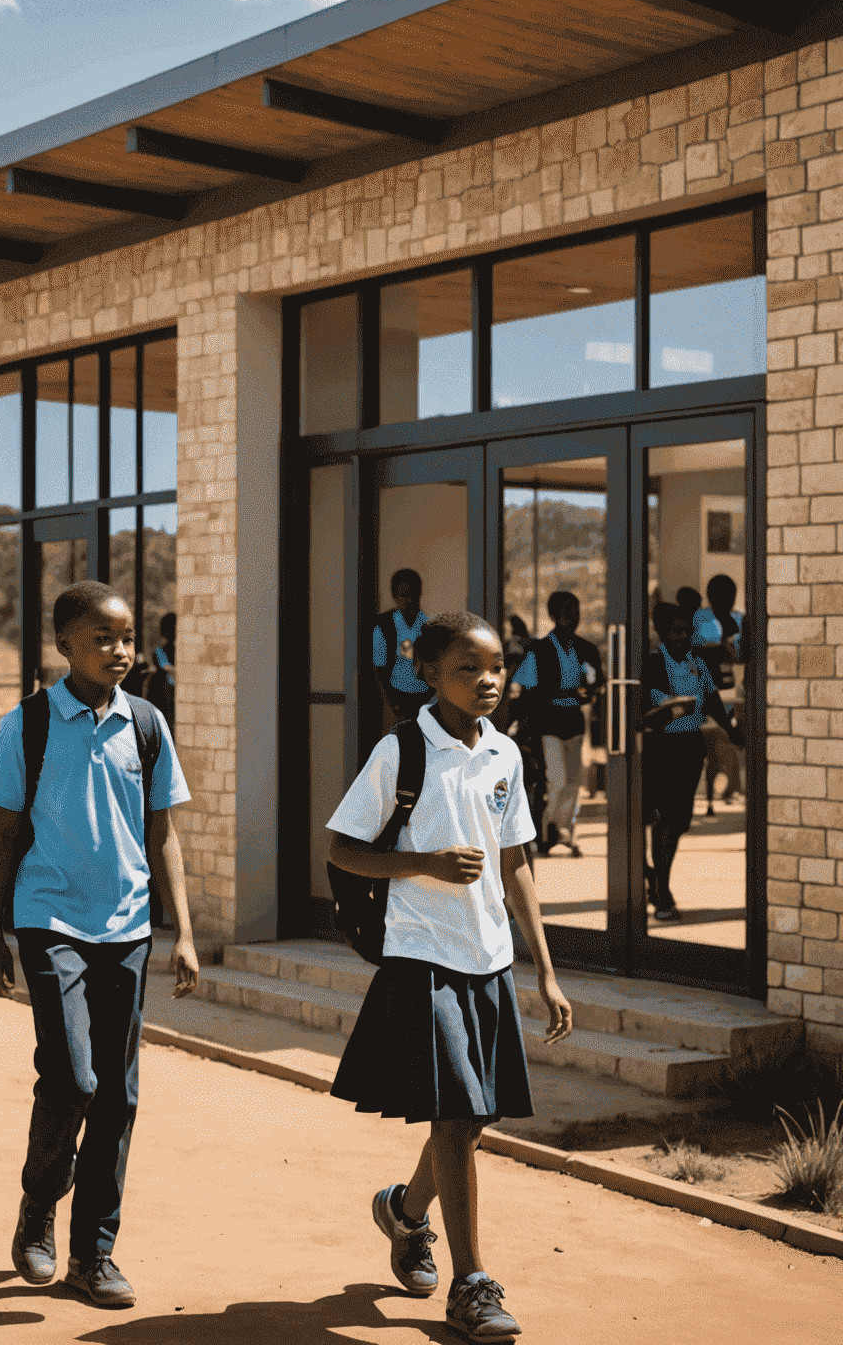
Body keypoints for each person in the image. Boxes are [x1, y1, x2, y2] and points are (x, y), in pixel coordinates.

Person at [327, 612, 571, 1341]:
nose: (488, 679)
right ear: (428, 674)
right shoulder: (403, 749)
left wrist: (547, 973)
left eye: (497, 665)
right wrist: (421, 865)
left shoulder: (504, 753)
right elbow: (342, 848)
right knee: (459, 1117)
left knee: (477, 1117)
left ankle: (404, 1213)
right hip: (422, 957)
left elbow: (517, 862)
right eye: (468, 667)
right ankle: (471, 1285)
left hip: (488, 958)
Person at [0, 580, 198, 1311]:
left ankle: (92, 1253)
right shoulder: (30, 724)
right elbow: (2, 833)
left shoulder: (146, 724)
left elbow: (162, 831)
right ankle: (40, 1202)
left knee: (118, 1096)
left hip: (127, 927)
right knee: (73, 1078)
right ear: (64, 645)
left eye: (126, 637)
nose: (119, 650)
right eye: (101, 638)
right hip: (50, 920)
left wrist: (185, 932)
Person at [642, 602, 743, 922]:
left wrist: (731, 731)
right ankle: (661, 890)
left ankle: (656, 878)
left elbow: (711, 701)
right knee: (666, 819)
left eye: (686, 631)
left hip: (690, 747)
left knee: (681, 820)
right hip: (662, 748)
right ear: (661, 632)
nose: (681, 636)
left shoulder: (698, 661)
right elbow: (648, 711)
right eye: (675, 630)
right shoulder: (653, 664)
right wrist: (667, 711)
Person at [507, 591, 601, 856]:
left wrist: (572, 693)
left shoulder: (587, 649)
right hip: (548, 723)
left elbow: (595, 686)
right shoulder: (539, 650)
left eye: (575, 610)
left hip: (574, 720)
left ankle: (565, 830)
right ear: (551, 615)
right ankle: (548, 830)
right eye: (564, 611)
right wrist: (569, 694)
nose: (571, 616)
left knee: (574, 782)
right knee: (556, 781)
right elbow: (528, 691)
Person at [693, 574, 746, 810]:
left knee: (727, 747)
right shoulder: (702, 619)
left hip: (732, 693)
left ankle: (725, 791)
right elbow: (705, 652)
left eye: (731, 595)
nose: (727, 600)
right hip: (707, 694)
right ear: (711, 597)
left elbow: (741, 654)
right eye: (721, 596)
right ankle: (713, 798)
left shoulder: (739, 620)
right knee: (712, 749)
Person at [372, 570, 434, 723]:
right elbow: (378, 669)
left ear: (419, 594)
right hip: (394, 701)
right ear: (395, 596)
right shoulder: (384, 626)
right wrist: (389, 705)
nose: (409, 600)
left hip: (423, 700)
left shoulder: (428, 627)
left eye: (413, 595)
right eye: (404, 595)